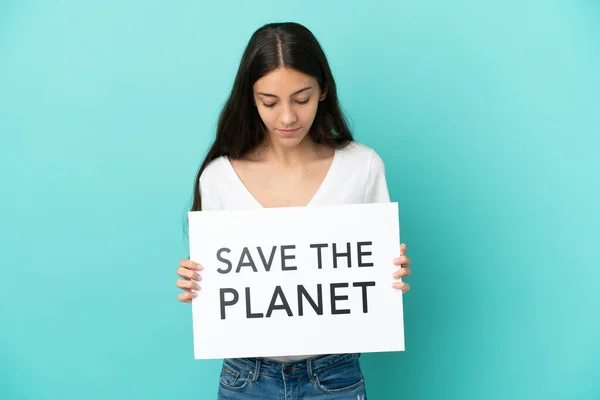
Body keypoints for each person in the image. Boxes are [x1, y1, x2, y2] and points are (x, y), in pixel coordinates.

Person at [175, 21, 412, 399]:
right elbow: (225, 285)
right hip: (246, 378)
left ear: (323, 91)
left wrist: (389, 274)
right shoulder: (219, 178)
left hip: (334, 376)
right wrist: (198, 283)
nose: (287, 118)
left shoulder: (362, 167)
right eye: (270, 102)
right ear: (251, 98)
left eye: (301, 99)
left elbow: (371, 279)